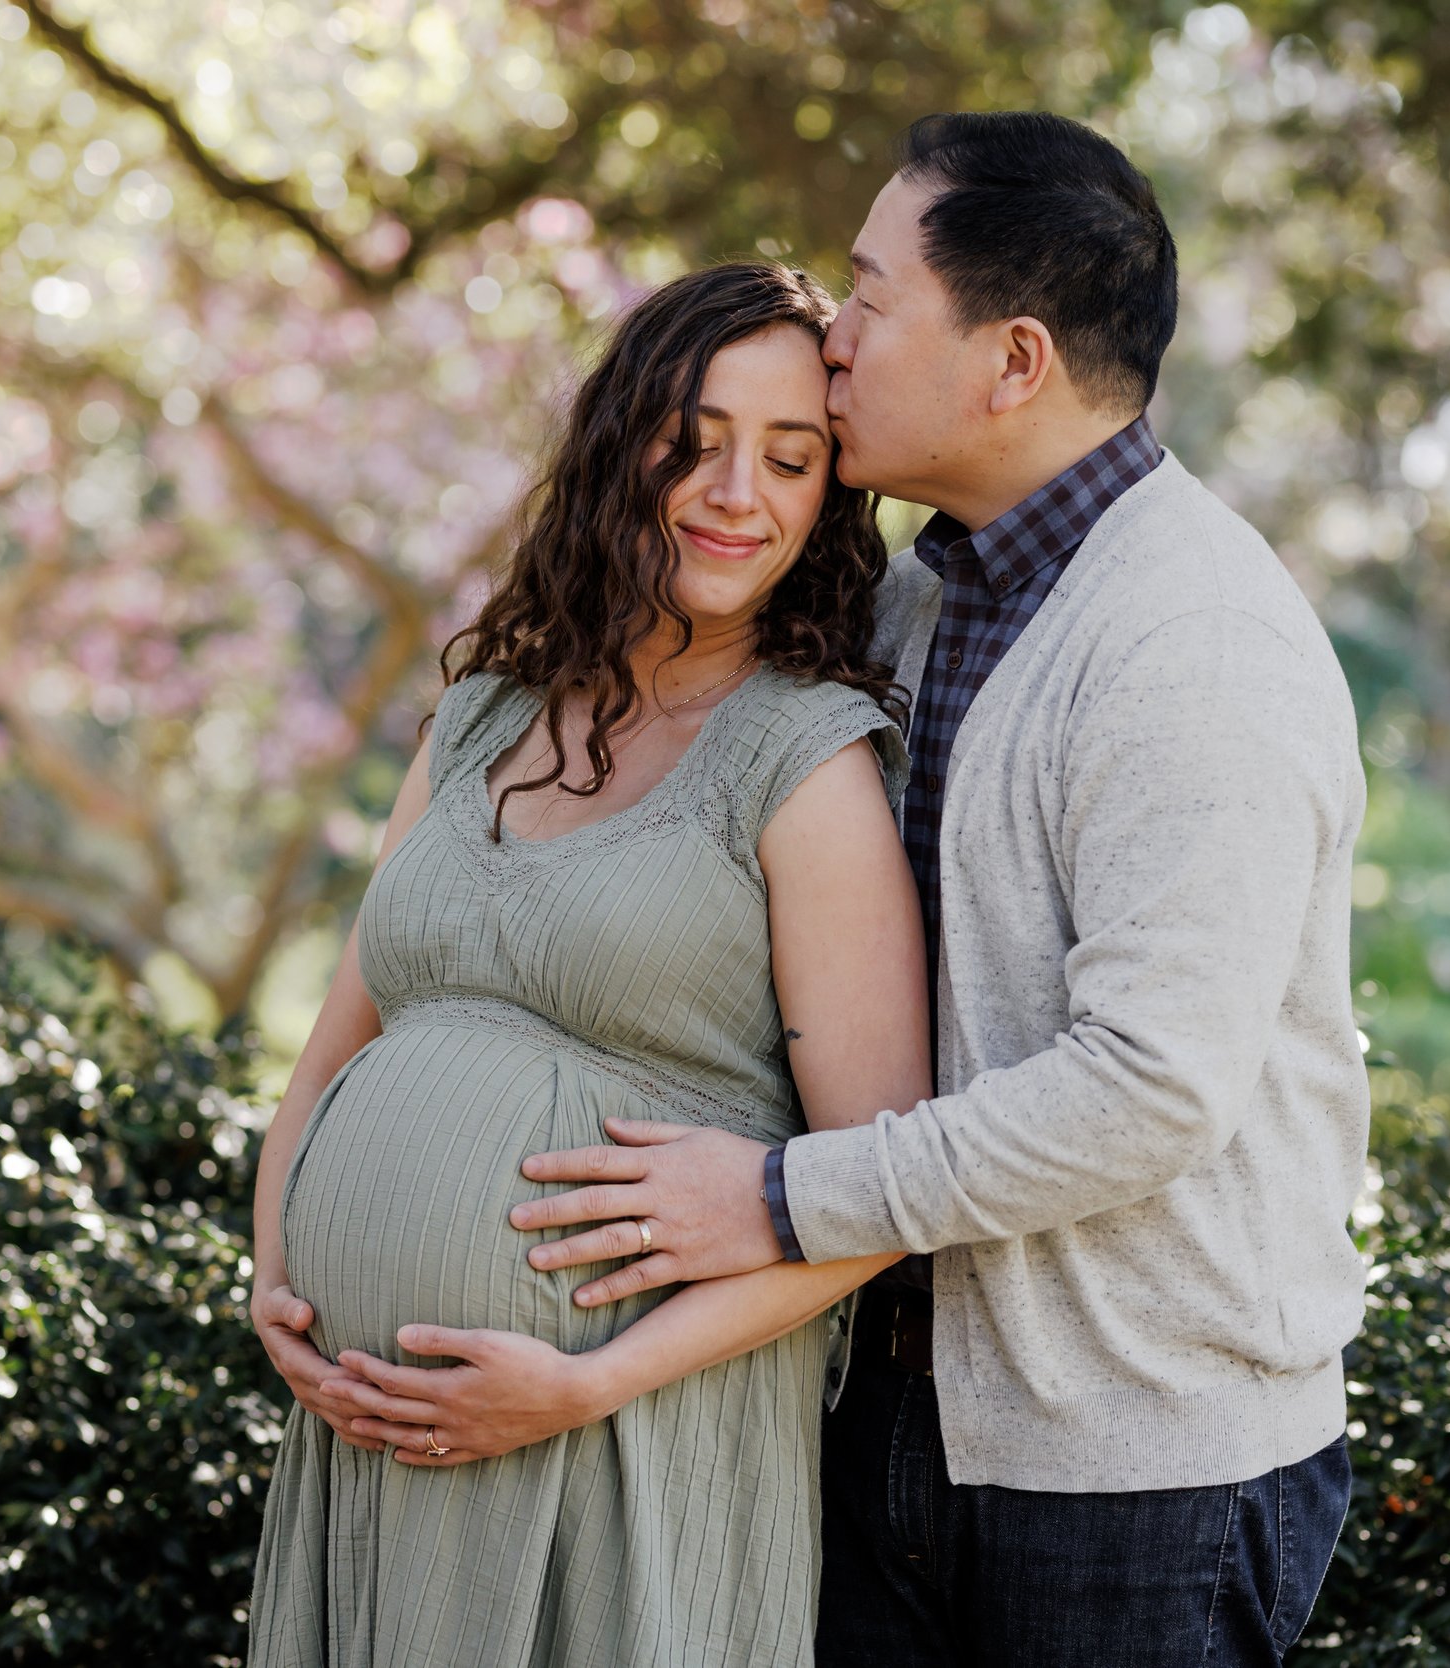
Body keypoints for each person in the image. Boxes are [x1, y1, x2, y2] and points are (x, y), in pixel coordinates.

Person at [437, 112, 1374, 1665]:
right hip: (888, 1416)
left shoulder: (1196, 646)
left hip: (1128, 1475)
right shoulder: (922, 593)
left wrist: (778, 1202)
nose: (835, 341)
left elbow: (1151, 1088)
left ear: (1012, 362)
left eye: (869, 300)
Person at [240, 260, 932, 1668]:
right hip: (365, 1440)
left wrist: (583, 1382)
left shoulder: (807, 766)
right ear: (623, 442)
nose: (738, 491)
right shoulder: (484, 711)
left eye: (790, 459)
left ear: (829, 497)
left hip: (625, 1438)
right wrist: (277, 1275)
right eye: (696, 439)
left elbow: (877, 1192)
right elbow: (334, 1051)